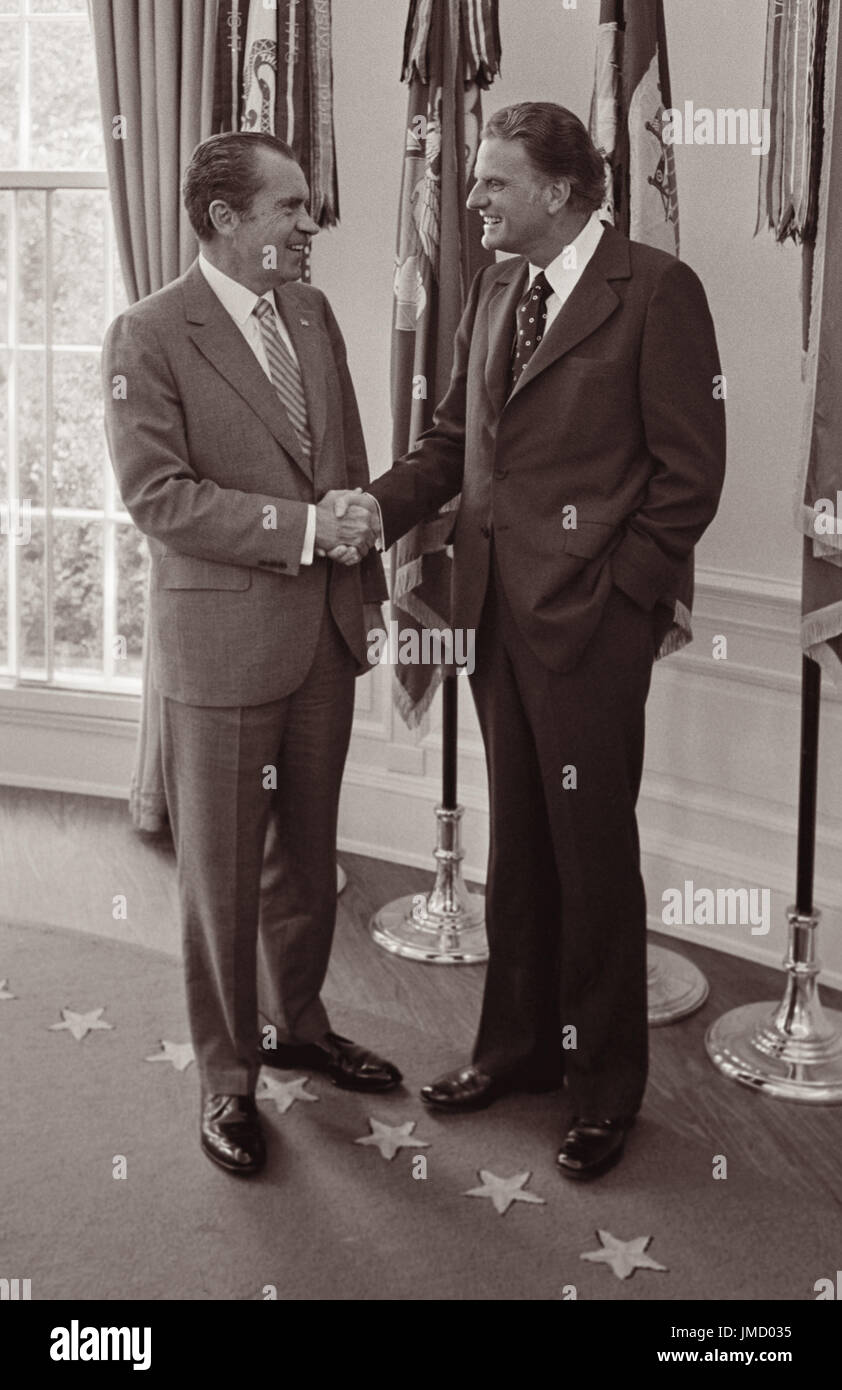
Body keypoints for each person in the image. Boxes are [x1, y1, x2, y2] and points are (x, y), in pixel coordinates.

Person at [339, 102, 726, 1180]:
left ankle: (603, 1090)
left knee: (591, 859)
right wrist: (375, 505)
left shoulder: (655, 291)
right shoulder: (495, 288)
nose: (472, 202)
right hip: (492, 614)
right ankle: (515, 1052)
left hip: (589, 626)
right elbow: (455, 441)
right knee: (518, 846)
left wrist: (624, 600)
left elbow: (687, 474)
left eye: (491, 184)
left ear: (556, 191)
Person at [102, 132, 391, 1178]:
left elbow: (346, 465)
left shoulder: (308, 314)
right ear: (225, 219)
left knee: (306, 863)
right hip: (220, 646)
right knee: (220, 880)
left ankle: (297, 1026)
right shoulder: (147, 333)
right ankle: (226, 1083)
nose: (308, 225)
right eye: (291, 208)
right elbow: (157, 499)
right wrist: (309, 533)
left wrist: (362, 586)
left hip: (321, 637)